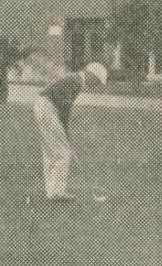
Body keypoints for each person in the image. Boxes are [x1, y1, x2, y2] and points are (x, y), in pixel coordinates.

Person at [32, 62, 108, 202]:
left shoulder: (75, 79)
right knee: (63, 152)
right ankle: (57, 193)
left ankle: (52, 191)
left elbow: (63, 106)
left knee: (52, 151)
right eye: (97, 81)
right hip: (47, 107)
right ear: (91, 75)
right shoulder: (76, 81)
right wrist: (65, 131)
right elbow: (65, 107)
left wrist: (64, 130)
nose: (95, 85)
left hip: (42, 105)